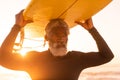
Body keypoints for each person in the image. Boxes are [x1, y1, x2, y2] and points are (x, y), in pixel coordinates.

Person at [0, 10, 114, 80]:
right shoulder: (34, 59)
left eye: (64, 34)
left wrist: (92, 30)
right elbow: (3, 58)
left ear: (67, 37)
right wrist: (16, 27)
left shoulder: (76, 58)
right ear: (46, 37)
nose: (61, 37)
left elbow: (107, 56)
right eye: (56, 33)